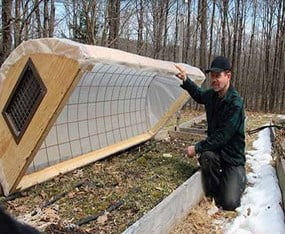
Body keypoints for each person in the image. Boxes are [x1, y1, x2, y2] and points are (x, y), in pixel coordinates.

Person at [175, 56, 246, 211]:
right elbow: (199, 94)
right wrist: (186, 80)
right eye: (212, 76)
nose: (214, 80)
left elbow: (223, 136)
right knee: (207, 157)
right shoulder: (212, 96)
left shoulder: (235, 103)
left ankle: (237, 177)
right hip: (216, 154)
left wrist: (196, 147)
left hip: (232, 157)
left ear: (228, 76)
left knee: (230, 204)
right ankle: (215, 192)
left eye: (218, 76)